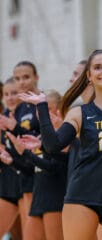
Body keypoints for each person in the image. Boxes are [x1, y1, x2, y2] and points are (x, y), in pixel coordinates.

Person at [18, 49, 102, 240]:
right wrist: (42, 107)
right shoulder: (79, 113)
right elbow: (53, 146)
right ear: (89, 76)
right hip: (82, 198)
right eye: (97, 67)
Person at [0, 61, 45, 240]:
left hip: (38, 176)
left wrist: (16, 128)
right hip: (17, 179)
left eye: (26, 77)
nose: (22, 82)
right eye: (18, 78)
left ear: (36, 77)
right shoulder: (18, 109)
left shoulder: (41, 104)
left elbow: (44, 139)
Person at [0, 77, 22, 239]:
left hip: (30, 184)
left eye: (14, 93)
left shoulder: (32, 118)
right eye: (6, 94)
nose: (10, 97)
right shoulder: (3, 117)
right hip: (8, 184)